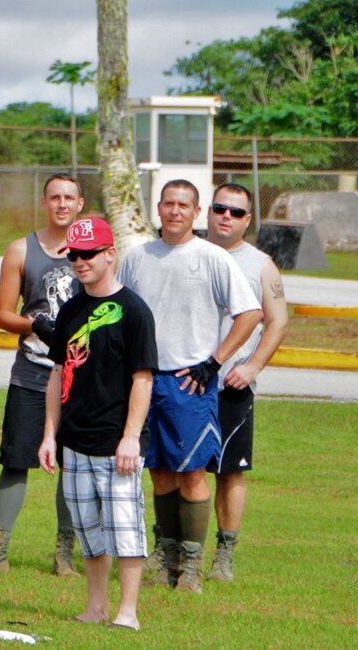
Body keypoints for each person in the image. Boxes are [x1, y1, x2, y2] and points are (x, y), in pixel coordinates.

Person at [116, 179, 262, 594]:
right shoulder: (137, 257)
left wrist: (214, 362)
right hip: (145, 379)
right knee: (159, 472)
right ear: (157, 208)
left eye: (184, 205)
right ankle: (167, 556)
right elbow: (120, 310)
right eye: (168, 204)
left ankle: (193, 566)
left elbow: (249, 314)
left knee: (193, 473)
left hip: (189, 382)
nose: (175, 211)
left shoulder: (212, 258)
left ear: (196, 212)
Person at [39, 217, 158, 631]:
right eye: (73, 254)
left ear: (110, 254)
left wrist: (130, 438)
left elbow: (143, 379)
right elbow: (58, 374)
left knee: (125, 530)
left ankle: (128, 611)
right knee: (88, 532)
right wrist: (50, 435)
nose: (79, 261)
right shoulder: (71, 309)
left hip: (116, 442)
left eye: (88, 253)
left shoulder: (133, 311)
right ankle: (96, 606)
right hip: (75, 440)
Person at [0, 172, 84, 575]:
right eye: (54, 197)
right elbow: (3, 315)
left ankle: (64, 556)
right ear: (44, 203)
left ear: (80, 204)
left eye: (69, 197)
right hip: (32, 375)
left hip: (79, 380)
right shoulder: (21, 249)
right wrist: (35, 324)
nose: (61, 204)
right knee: (16, 461)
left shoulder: (93, 251)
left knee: (74, 466)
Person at [205, 183, 288, 582]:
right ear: (207, 211)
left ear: (248, 220)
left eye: (236, 212)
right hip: (183, 382)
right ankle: (170, 549)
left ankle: (224, 554)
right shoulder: (189, 252)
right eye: (220, 208)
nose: (227, 216)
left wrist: (253, 366)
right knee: (171, 469)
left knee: (229, 472)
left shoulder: (260, 265)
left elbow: (278, 321)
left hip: (230, 385)